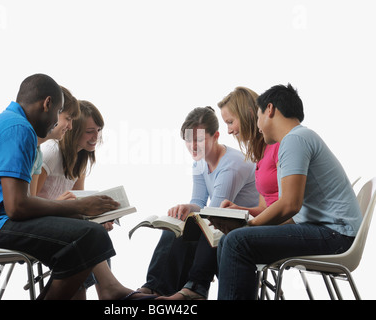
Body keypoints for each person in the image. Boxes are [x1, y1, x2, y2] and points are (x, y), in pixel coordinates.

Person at [0, 74, 133, 300]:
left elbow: (17, 203)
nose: (57, 121)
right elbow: (16, 207)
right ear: (48, 104)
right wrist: (80, 207)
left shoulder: (11, 124)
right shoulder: (19, 129)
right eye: (59, 112)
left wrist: (80, 209)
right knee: (90, 237)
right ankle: (108, 290)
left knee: (87, 237)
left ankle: (105, 289)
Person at [213, 84, 362, 300]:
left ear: (270, 110)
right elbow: (293, 213)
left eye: (257, 116)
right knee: (232, 239)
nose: (257, 125)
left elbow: (290, 205)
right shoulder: (293, 141)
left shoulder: (295, 139)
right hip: (329, 231)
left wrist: (251, 226)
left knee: (237, 241)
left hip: (337, 235)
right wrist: (246, 225)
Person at [140, 106, 259, 300]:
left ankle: (196, 288)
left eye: (200, 140)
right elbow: (199, 202)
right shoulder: (200, 162)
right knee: (176, 225)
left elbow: (216, 211)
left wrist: (195, 213)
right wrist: (187, 208)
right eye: (188, 140)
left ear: (216, 136)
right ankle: (157, 288)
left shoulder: (232, 165)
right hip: (220, 221)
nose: (193, 146)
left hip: (243, 225)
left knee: (204, 223)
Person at [35, 100, 132, 299]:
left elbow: (79, 204)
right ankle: (106, 289)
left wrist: (98, 217)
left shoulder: (80, 159)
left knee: (93, 232)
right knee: (86, 238)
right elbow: (30, 199)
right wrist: (61, 205)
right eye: (89, 131)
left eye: (98, 130)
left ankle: (103, 289)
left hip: (60, 222)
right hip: (41, 223)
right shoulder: (51, 152)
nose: (95, 136)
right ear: (74, 130)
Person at [217, 86, 279, 214]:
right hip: (272, 222)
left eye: (230, 122)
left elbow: (289, 207)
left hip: (286, 224)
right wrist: (238, 211)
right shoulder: (261, 154)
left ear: (249, 114)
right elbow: (264, 209)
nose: (229, 131)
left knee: (234, 235)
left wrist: (251, 225)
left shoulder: (278, 146)